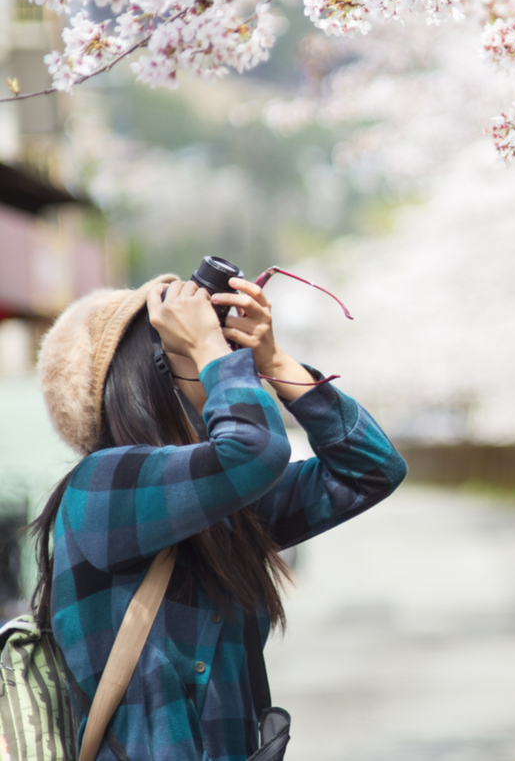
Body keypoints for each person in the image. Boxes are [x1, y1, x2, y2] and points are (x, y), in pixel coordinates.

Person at [30, 273, 407, 761]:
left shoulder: (221, 509)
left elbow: (372, 469)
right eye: (196, 349)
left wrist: (275, 360)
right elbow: (255, 451)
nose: (227, 366)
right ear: (148, 375)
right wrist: (213, 348)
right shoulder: (102, 486)